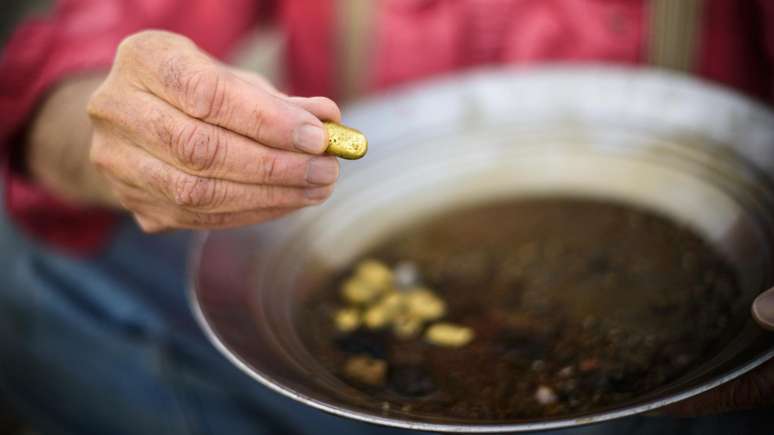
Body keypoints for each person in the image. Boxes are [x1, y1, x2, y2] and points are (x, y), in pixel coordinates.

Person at [0, 1, 773, 434]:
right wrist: (118, 126)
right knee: (22, 265)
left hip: (695, 392)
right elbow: (81, 55)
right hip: (357, 312)